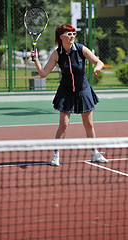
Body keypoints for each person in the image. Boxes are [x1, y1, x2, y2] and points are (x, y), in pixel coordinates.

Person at [31, 24, 108, 166]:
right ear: (61, 37)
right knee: (64, 125)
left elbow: (99, 61)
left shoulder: (80, 49)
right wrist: (35, 59)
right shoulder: (57, 54)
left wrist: (97, 68)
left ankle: (94, 153)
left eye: (74, 33)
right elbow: (43, 73)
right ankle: (56, 154)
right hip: (66, 92)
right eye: (69, 33)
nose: (72, 36)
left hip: (83, 90)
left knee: (89, 124)